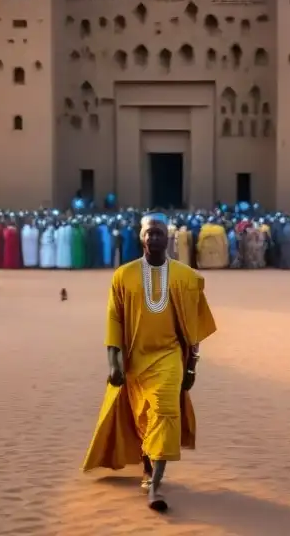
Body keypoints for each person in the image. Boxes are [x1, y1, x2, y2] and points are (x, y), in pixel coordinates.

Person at [82, 212, 217, 512]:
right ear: (140, 236)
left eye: (159, 233)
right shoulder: (123, 276)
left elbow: (194, 328)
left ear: (167, 237)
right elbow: (114, 319)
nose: (154, 238)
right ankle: (146, 467)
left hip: (169, 357)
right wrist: (112, 361)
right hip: (135, 358)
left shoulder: (186, 277)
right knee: (143, 417)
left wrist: (192, 365)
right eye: (149, 233)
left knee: (166, 412)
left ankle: (155, 484)